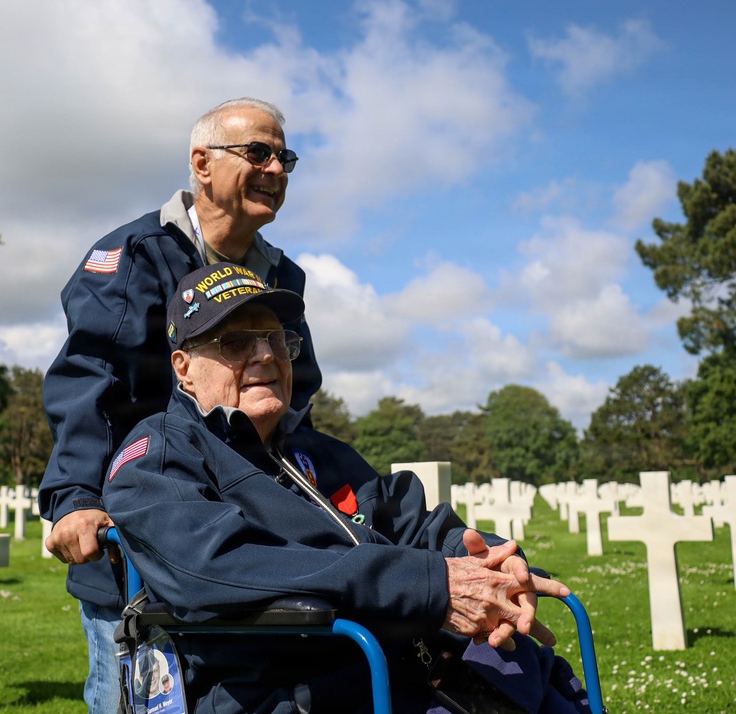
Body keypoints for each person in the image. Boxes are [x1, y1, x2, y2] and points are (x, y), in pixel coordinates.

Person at [102, 262, 591, 714]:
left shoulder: (323, 452)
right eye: (236, 342)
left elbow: (415, 520)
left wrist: (492, 565)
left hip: (418, 665)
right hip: (304, 691)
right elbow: (214, 565)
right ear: (184, 368)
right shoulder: (160, 454)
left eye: (275, 337)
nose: (267, 354)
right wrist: (426, 584)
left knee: (545, 679)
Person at [38, 98, 322, 712]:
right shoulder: (137, 253)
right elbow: (89, 376)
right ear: (202, 163)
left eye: (285, 157)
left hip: (245, 543)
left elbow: (295, 397)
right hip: (144, 532)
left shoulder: (283, 277)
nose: (277, 169)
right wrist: (75, 498)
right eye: (258, 153)